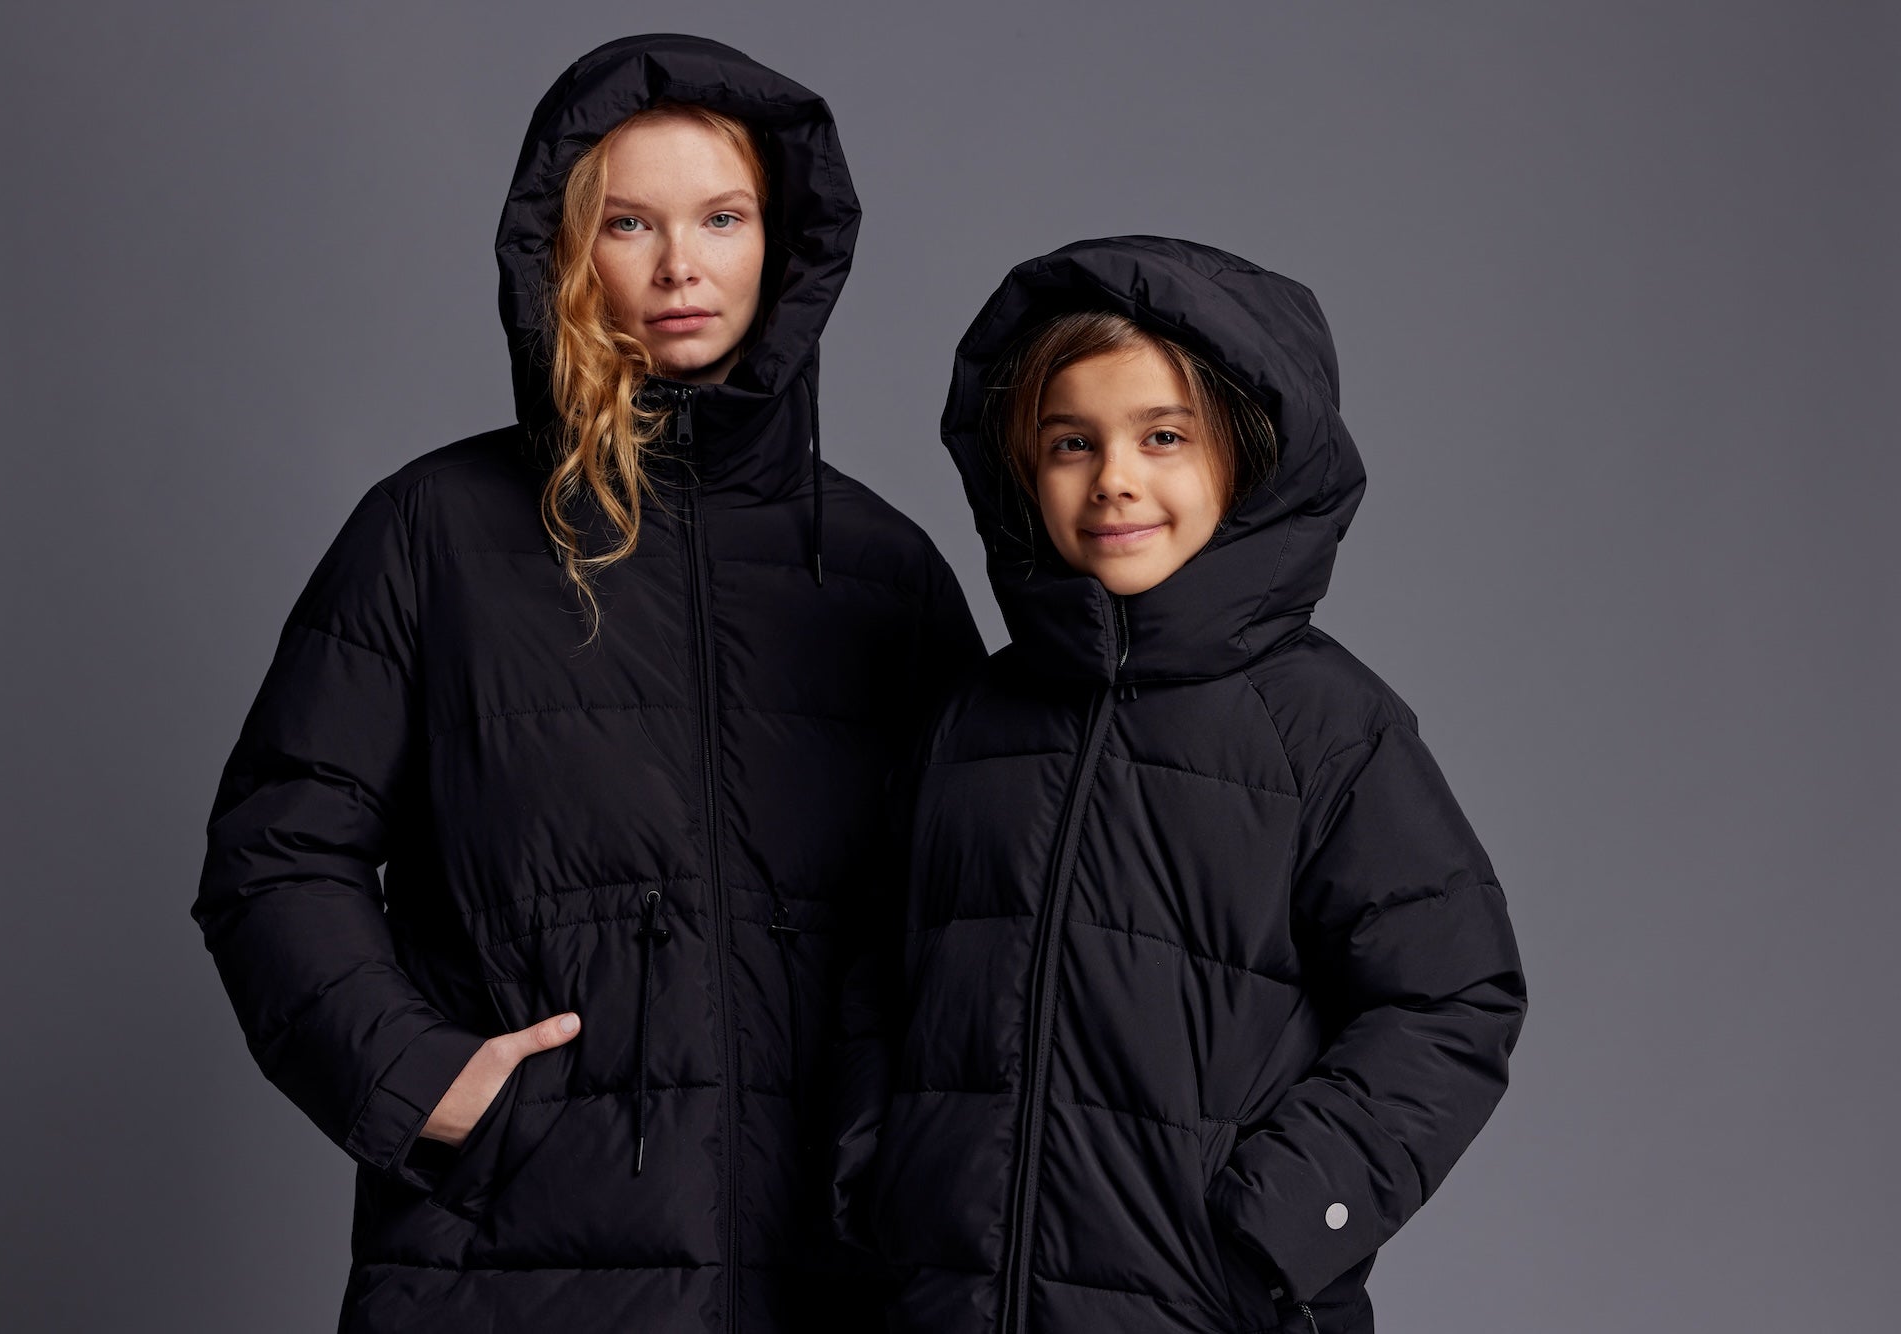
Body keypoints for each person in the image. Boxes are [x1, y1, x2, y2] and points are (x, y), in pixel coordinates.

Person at [191, 33, 981, 1334]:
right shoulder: (431, 532)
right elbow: (277, 849)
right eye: (629, 222)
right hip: (512, 1263)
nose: (680, 265)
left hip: (827, 1273)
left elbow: (974, 915)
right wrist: (423, 1081)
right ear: (565, 250)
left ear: (783, 242)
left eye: (722, 217)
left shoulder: (885, 573)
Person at [828, 235, 1529, 1334]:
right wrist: (874, 1173)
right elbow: (886, 965)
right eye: (1071, 442)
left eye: (1163, 437)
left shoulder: (1326, 728)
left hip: (1205, 1307)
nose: (1114, 478)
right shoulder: (971, 718)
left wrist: (1278, 1226)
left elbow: (1452, 995)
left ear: (1246, 455)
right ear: (1021, 467)